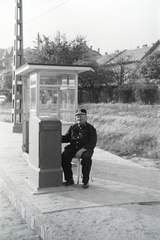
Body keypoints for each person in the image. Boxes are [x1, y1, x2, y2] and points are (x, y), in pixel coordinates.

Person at [62, 109, 97, 189]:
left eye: (81, 116)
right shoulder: (73, 127)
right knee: (64, 156)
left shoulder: (91, 129)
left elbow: (92, 143)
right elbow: (67, 138)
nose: (79, 118)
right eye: (77, 116)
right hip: (73, 148)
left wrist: (82, 150)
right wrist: (55, 136)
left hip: (86, 149)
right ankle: (69, 179)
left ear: (86, 117)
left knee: (86, 158)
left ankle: (85, 181)